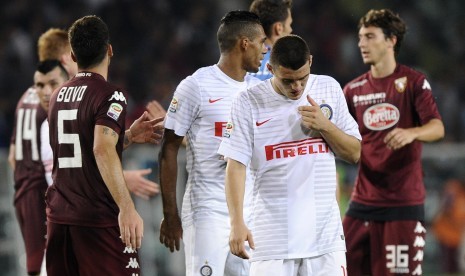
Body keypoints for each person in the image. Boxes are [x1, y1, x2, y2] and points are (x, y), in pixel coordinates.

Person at [218, 34, 361, 276]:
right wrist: (237, 222)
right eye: (288, 80)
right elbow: (236, 165)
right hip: (272, 240)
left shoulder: (328, 87)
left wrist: (325, 127)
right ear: (271, 68)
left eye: (302, 79)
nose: (297, 87)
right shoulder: (248, 101)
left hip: (325, 240)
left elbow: (355, 153)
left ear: (311, 62)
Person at [45, 15, 162, 275]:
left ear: (73, 56)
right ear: (110, 50)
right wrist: (127, 207)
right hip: (96, 220)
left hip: (59, 220)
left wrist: (128, 136)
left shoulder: (56, 96)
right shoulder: (110, 94)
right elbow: (101, 148)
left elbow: (85, 148)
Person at [158, 10, 267, 275]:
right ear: (244, 43)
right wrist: (171, 214)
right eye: (262, 42)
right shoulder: (196, 86)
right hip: (206, 211)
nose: (265, 49)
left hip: (249, 214)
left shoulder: (258, 91)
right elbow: (168, 148)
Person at [342, 9, 445, 276]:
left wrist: (412, 133)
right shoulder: (353, 90)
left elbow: (437, 127)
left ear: (391, 40)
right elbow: (341, 136)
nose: (361, 44)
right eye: (360, 37)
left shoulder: (413, 82)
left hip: (402, 204)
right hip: (362, 202)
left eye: (369, 36)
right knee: (338, 268)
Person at [37, 27, 161, 199]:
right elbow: (71, 171)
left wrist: (130, 135)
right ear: (64, 60)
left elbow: (87, 152)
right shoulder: (51, 112)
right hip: (72, 212)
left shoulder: (60, 104)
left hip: (62, 212)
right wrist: (122, 179)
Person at [249, 0, 293, 80]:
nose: (291, 30)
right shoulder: (285, 65)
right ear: (278, 28)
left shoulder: (238, 60)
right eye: (289, 24)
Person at [432, 178, 465, 274]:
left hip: (458, 236)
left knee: (456, 266)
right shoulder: (452, 190)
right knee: (448, 266)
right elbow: (445, 210)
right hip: (446, 234)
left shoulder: (462, 196)